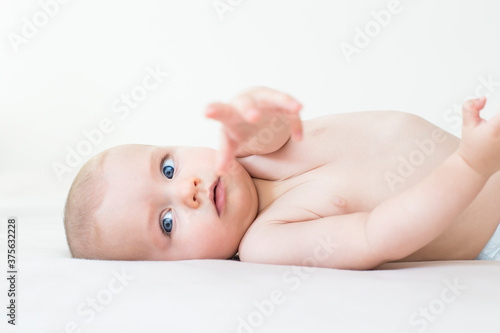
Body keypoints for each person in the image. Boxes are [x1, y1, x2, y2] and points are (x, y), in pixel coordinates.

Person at [63, 86, 500, 270]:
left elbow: (274, 129)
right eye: (167, 222)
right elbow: (377, 233)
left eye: (168, 168)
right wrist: (469, 167)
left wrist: (251, 112)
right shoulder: (265, 241)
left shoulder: (248, 152)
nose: (186, 190)